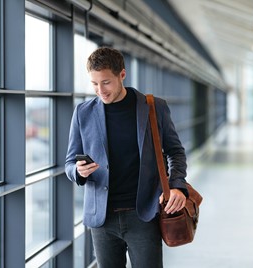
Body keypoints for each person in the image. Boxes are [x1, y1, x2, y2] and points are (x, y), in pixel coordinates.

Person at [65, 47, 189, 268]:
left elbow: (175, 151)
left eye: (106, 82)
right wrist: (78, 171)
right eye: (94, 84)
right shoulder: (82, 113)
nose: (100, 90)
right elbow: (69, 163)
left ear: (122, 74)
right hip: (102, 220)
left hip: (143, 215)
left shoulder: (153, 107)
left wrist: (177, 185)